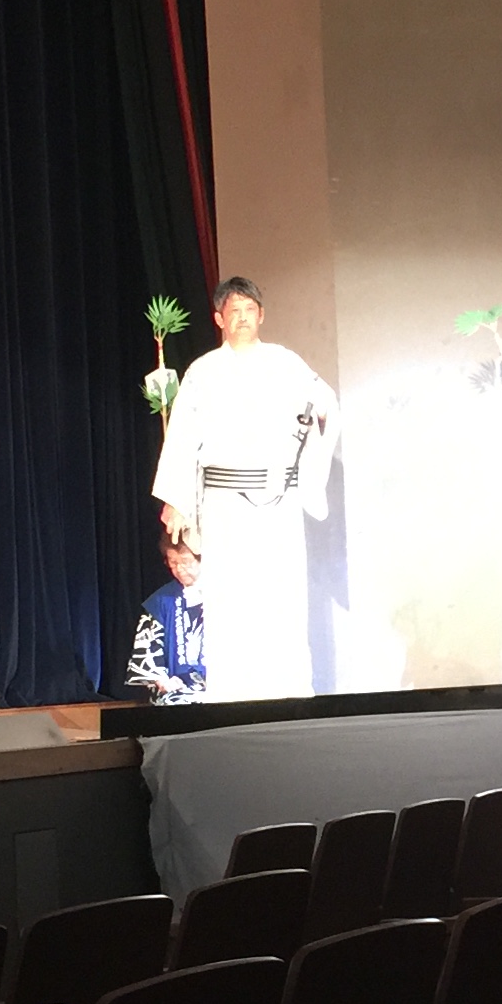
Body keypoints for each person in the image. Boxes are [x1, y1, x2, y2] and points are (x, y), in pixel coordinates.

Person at [150, 276, 338, 700]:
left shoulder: (286, 363)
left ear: (261, 315)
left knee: (282, 592)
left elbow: (323, 402)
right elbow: (182, 438)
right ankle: (232, 695)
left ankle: (289, 690)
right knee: (230, 597)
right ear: (219, 319)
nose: (242, 318)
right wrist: (177, 499)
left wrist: (324, 412)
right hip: (224, 503)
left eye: (249, 310)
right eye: (233, 311)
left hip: (277, 500)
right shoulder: (203, 372)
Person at [124, 531, 208, 704]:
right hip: (178, 689)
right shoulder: (162, 600)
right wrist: (161, 680)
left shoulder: (226, 594)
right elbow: (147, 647)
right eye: (173, 562)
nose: (179, 569)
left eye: (185, 561)